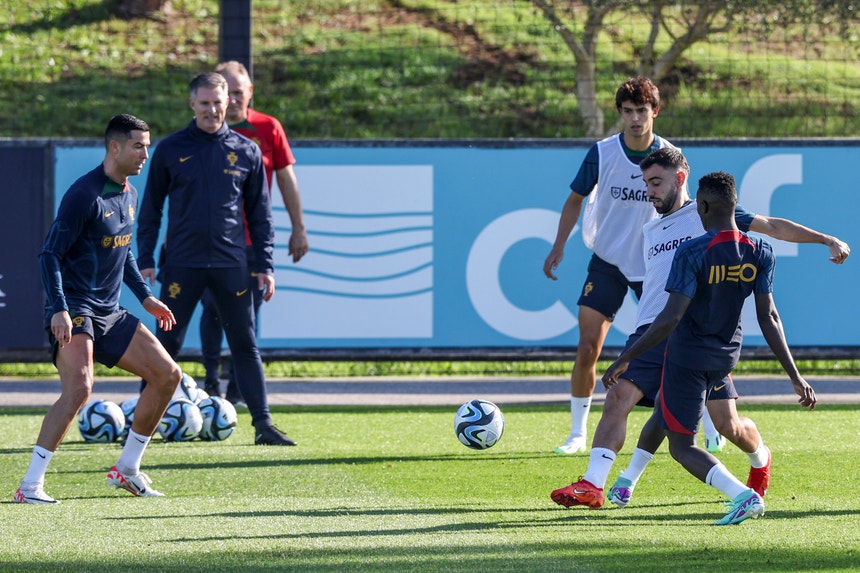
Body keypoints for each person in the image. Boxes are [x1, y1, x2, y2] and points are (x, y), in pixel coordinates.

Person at [549, 148, 849, 512]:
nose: (650, 191)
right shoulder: (652, 226)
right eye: (646, 183)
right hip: (654, 329)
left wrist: (827, 240)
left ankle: (760, 458)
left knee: (727, 425)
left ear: (680, 179)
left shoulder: (708, 213)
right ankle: (593, 484)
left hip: (694, 335)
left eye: (656, 182)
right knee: (619, 396)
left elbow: (772, 226)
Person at [603, 171, 817, 525]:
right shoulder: (759, 250)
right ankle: (627, 480)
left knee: (682, 445)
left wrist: (626, 357)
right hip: (725, 354)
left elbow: (669, 317)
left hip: (687, 355)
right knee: (666, 409)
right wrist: (795, 376)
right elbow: (769, 317)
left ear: (701, 206)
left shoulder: (692, 252)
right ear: (735, 206)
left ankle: (742, 496)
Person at [14, 114, 183, 504]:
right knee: (79, 388)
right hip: (74, 306)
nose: (146, 153)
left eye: (148, 144)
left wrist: (145, 298)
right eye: (139, 145)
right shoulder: (83, 194)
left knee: (167, 375)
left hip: (109, 311)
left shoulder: (130, 193)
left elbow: (123, 253)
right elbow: (48, 254)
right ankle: (30, 486)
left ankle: (126, 470)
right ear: (115, 147)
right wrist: (57, 308)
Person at [136, 72, 296, 446]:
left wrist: (266, 265)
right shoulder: (171, 149)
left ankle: (264, 425)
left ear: (231, 104)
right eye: (204, 103)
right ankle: (138, 421)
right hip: (181, 264)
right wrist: (146, 258)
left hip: (231, 264)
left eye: (218, 103)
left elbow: (260, 214)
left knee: (245, 343)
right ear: (192, 103)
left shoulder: (246, 150)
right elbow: (151, 209)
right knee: (165, 344)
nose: (211, 110)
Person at [543, 77, 678, 454]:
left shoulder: (671, 156)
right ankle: (577, 433)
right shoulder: (602, 153)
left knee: (683, 344)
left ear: (655, 111)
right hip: (608, 261)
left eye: (642, 110)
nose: (635, 118)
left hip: (654, 264)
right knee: (588, 345)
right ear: (620, 113)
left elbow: (684, 213)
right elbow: (575, 199)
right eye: (628, 111)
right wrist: (559, 246)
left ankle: (711, 416)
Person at [198, 60, 309, 405]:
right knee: (211, 308)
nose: (231, 100)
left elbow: (287, 179)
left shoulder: (268, 128)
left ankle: (237, 387)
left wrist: (298, 228)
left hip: (250, 241)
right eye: (225, 92)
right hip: (210, 241)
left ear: (250, 92)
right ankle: (210, 380)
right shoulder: (202, 131)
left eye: (238, 92)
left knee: (246, 314)